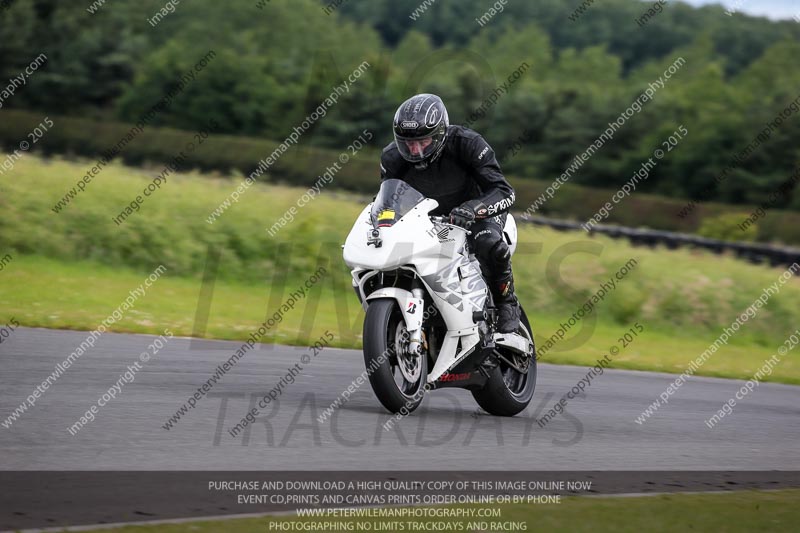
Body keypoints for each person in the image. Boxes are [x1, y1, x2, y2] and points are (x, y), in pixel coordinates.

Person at [379, 93, 520, 332]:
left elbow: (504, 191)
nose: (415, 150)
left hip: (477, 213)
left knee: (487, 242)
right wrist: (383, 220)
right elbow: (388, 200)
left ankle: (507, 301)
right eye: (407, 143)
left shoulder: (468, 143)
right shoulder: (392, 157)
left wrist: (474, 208)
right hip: (426, 221)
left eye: (423, 142)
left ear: (440, 134)